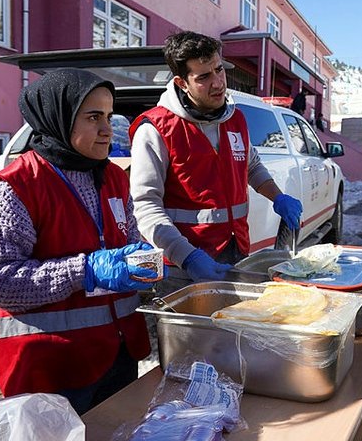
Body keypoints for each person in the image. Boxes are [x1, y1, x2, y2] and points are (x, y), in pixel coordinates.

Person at [0, 69, 160, 415]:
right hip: (55, 369)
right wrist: (84, 271)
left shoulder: (113, 177)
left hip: (118, 353)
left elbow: (128, 237)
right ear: (57, 118)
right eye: (93, 117)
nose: (108, 129)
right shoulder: (15, 188)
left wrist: (140, 262)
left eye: (109, 117)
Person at [129, 30, 302, 293]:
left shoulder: (235, 119)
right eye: (204, 77)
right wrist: (187, 257)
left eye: (219, 70)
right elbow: (145, 206)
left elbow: (251, 167)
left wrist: (278, 197)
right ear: (181, 83)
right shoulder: (155, 129)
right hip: (183, 268)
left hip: (235, 251)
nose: (218, 83)